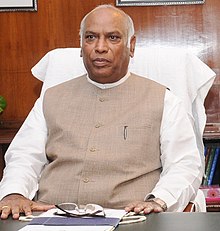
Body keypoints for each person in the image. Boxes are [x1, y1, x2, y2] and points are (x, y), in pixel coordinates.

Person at [0, 4, 203, 220]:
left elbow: (184, 164)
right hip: (52, 218)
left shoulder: (164, 100)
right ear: (81, 46)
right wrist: (14, 193)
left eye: (113, 37)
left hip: (130, 220)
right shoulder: (50, 98)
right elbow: (24, 157)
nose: (100, 47)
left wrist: (158, 200)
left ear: (131, 46)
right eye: (90, 37)